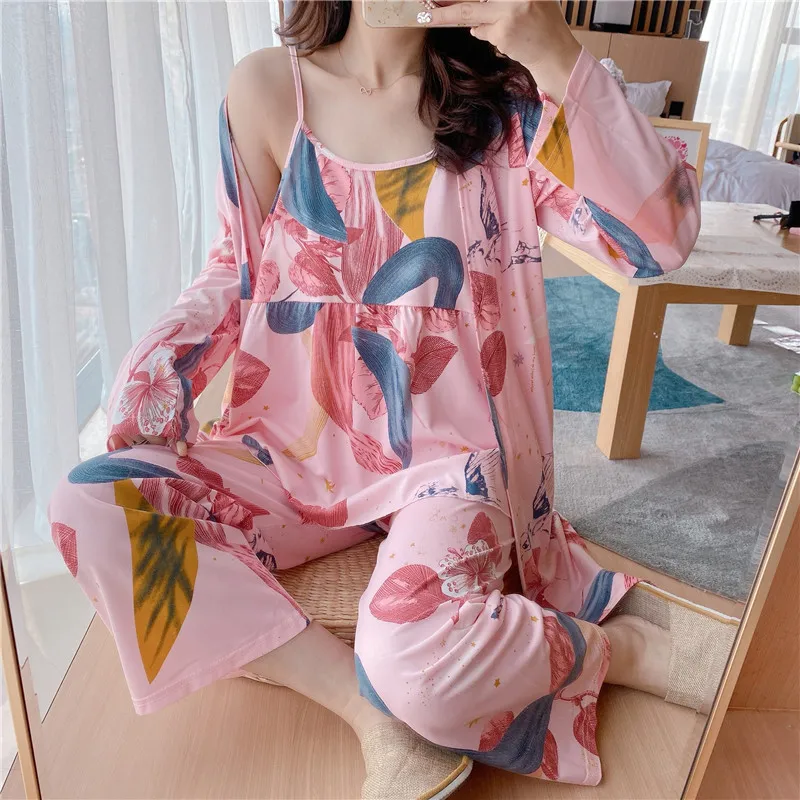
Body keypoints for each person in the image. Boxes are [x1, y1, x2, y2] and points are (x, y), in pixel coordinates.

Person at [49, 2, 703, 798]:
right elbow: (236, 268)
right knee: (89, 504)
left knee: (417, 665)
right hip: (288, 450)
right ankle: (369, 716)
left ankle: (618, 650)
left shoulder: (507, 108)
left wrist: (552, 47)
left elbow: (660, 238)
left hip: (450, 462)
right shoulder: (268, 88)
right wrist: (160, 367)